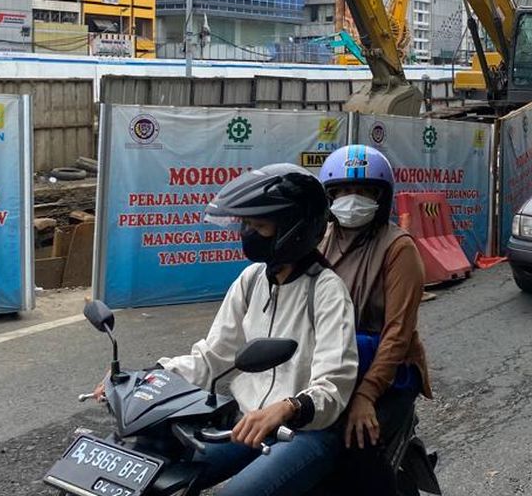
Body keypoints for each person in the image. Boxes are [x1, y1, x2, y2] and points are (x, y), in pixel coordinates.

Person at [151, 164, 359, 496]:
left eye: (258, 225)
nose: (247, 233)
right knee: (157, 467)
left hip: (305, 430)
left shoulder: (326, 290)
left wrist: (289, 407)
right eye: (246, 224)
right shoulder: (251, 281)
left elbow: (333, 385)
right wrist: (153, 377)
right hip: (248, 421)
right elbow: (213, 355)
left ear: (295, 230)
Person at [317, 145, 431, 496]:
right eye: (343, 192)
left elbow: (398, 333)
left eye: (364, 191)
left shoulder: (398, 248)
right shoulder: (322, 242)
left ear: (380, 198)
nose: (352, 200)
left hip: (389, 370)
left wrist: (366, 394)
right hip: (334, 361)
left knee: (355, 445)